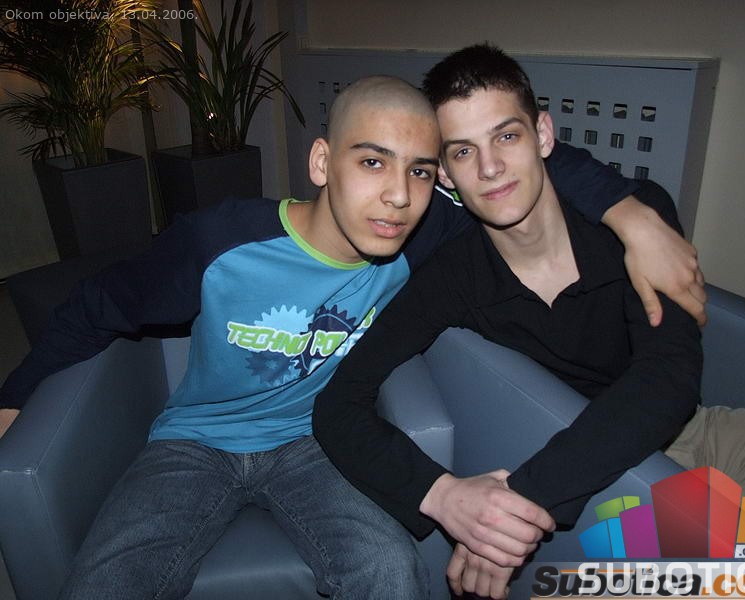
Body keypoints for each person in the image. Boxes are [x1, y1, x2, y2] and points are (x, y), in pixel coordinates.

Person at [0, 74, 704, 599]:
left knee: (389, 570)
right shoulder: (219, 243)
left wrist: (631, 214)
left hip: (317, 446)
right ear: (321, 163)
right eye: (371, 162)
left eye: (419, 171)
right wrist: (15, 398)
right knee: (107, 581)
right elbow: (98, 304)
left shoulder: (425, 236)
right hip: (196, 441)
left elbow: (514, 168)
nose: (397, 195)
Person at [313, 45, 705, 599]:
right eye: (463, 151)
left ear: (543, 135)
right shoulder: (451, 275)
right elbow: (338, 404)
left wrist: (521, 500)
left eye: (506, 136)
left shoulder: (635, 221)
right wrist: (446, 497)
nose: (490, 167)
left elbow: (670, 377)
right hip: (640, 483)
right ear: (446, 175)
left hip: (687, 435)